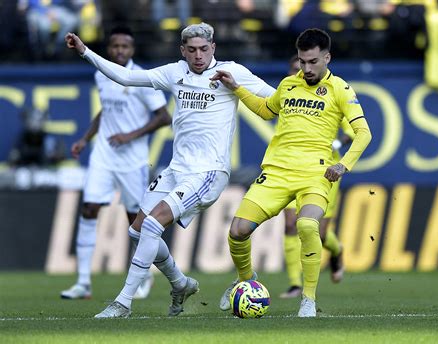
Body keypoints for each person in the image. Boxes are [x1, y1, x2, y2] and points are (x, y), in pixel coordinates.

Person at [64, 22, 275, 318]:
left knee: (153, 225)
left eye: (204, 49)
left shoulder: (233, 71)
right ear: (183, 51)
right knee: (137, 231)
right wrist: (86, 51)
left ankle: (122, 303)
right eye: (192, 50)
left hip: (209, 173)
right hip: (177, 170)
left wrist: (238, 89)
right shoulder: (174, 73)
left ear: (213, 48)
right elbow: (125, 77)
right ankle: (180, 283)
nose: (198, 56)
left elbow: (275, 100)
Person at [212, 28, 372, 317]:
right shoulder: (288, 85)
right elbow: (264, 109)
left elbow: (363, 133)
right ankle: (246, 280)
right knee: (237, 231)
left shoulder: (341, 89)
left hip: (316, 174)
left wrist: (343, 164)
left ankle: (308, 299)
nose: (306, 68)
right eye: (302, 61)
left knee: (307, 226)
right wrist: (237, 88)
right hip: (276, 172)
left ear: (327, 57)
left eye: (312, 62)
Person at [60, 26, 171, 301]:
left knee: (136, 221)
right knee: (89, 209)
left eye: (125, 46)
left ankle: (144, 275)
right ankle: (83, 282)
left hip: (132, 160)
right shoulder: (102, 73)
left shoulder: (142, 78)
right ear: (109, 48)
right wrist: (86, 139)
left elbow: (164, 117)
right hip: (104, 155)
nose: (119, 50)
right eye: (115, 46)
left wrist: (130, 135)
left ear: (132, 50)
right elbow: (105, 111)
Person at [279, 54, 354, 299]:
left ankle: (337, 249)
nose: (299, 71)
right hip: (291, 169)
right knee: (291, 224)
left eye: (304, 66)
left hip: (324, 171)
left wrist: (334, 142)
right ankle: (294, 284)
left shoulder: (330, 93)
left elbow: (352, 132)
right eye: (296, 67)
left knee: (317, 232)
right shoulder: (288, 93)